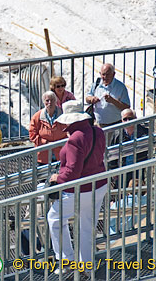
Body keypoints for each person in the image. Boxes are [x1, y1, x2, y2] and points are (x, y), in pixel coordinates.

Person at [47, 101, 108, 270]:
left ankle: (66, 260)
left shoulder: (75, 139)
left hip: (82, 189)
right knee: (87, 226)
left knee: (54, 219)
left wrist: (57, 178)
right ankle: (87, 266)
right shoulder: (98, 131)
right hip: (99, 184)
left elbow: (73, 171)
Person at [110, 108, 149, 187]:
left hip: (139, 168)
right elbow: (112, 154)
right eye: (125, 119)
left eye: (130, 118)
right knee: (120, 194)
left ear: (135, 119)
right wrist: (113, 171)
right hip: (123, 169)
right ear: (121, 121)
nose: (127, 121)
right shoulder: (117, 134)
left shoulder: (145, 133)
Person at [29, 91, 68, 165]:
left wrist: (59, 143)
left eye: (52, 100)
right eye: (47, 100)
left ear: (56, 101)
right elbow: (32, 135)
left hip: (61, 155)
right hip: (43, 156)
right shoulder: (37, 117)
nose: (50, 102)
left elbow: (68, 132)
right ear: (44, 102)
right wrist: (46, 143)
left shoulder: (63, 115)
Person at [85, 63, 130, 127]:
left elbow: (126, 107)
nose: (105, 77)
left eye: (108, 74)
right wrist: (91, 99)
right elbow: (87, 98)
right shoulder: (96, 84)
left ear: (113, 74)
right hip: (98, 124)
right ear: (100, 74)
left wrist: (113, 101)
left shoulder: (120, 87)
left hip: (115, 125)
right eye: (103, 74)